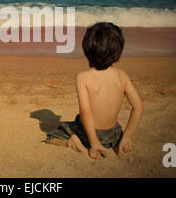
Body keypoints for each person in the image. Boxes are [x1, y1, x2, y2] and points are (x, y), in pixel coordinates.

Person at [46, 22, 144, 159]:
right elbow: (138, 107)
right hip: (113, 135)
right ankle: (116, 143)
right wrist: (127, 137)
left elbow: (85, 113)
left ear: (87, 49)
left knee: (53, 133)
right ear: (118, 51)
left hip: (87, 134)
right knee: (114, 131)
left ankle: (73, 144)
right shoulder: (122, 76)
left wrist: (94, 143)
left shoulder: (83, 77)